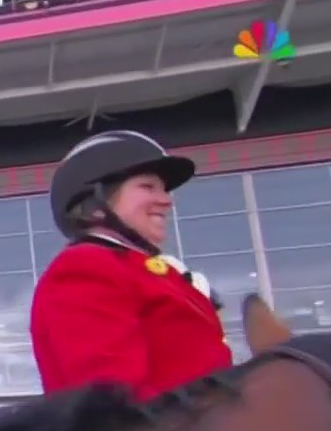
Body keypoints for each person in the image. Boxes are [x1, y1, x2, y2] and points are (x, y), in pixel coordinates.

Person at [30, 130, 232, 402]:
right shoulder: (84, 268)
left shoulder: (150, 270)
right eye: (147, 187)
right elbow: (115, 402)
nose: (166, 200)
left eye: (164, 189)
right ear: (95, 205)